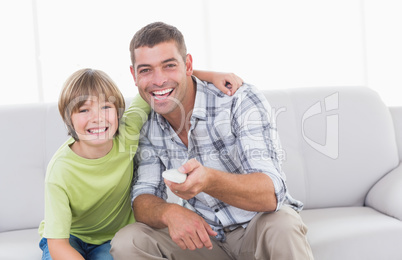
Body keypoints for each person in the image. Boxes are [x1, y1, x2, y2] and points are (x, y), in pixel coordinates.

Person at [110, 22, 313, 260]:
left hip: (257, 227)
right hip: (205, 238)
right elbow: (142, 197)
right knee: (129, 241)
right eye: (146, 70)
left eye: (169, 66)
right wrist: (169, 213)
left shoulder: (238, 100)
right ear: (134, 75)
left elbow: (271, 194)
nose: (158, 79)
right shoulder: (145, 123)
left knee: (283, 223)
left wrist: (209, 179)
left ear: (188, 65)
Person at [37, 68, 243, 260]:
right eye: (84, 110)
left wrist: (211, 76)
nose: (97, 118)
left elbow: (158, 84)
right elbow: (58, 243)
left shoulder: (128, 133)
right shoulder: (60, 171)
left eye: (106, 107)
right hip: (70, 237)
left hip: (112, 237)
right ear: (68, 118)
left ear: (118, 113)